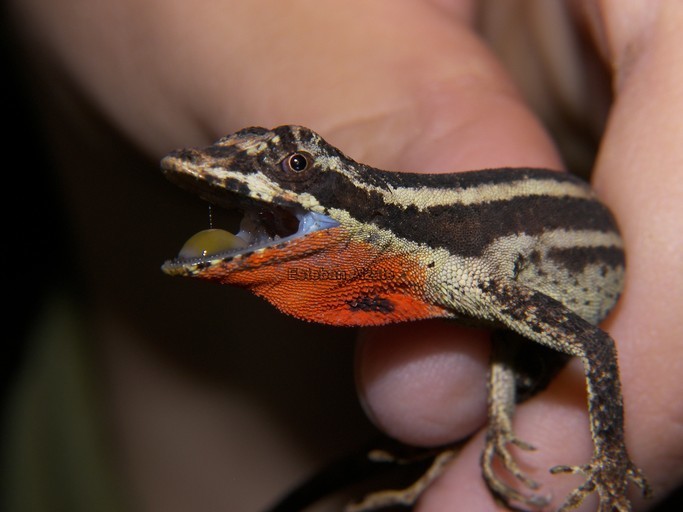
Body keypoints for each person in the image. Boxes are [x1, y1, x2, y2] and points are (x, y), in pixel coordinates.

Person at [5, 1, 682, 510]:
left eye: (295, 165)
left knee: (470, 367)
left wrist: (614, 463)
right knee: (459, 377)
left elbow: (594, 345)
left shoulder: (456, 261)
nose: (275, 183)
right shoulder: (448, 274)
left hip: (581, 261)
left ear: (337, 186)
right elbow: (511, 335)